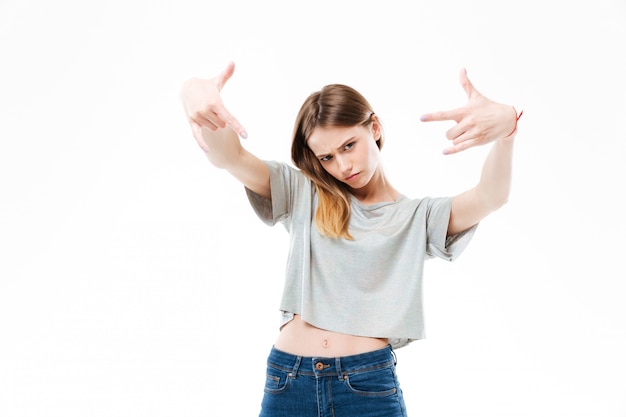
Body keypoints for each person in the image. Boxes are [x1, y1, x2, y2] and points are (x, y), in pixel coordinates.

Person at [180, 61, 521, 417]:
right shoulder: (301, 191)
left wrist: (509, 129)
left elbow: (490, 196)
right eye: (326, 157)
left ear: (373, 128)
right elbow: (228, 156)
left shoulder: (416, 217)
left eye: (348, 145)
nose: (342, 166)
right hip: (288, 382)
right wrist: (193, 91)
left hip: (366, 387)